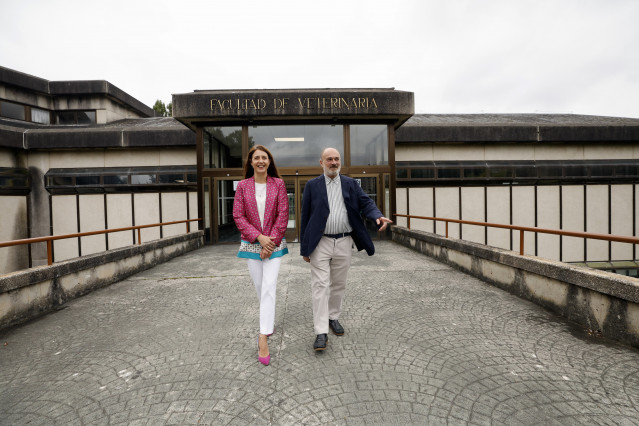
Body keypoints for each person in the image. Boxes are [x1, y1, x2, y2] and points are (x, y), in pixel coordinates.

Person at [300, 147, 392, 351]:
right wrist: (305, 248)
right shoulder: (312, 185)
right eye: (329, 159)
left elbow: (366, 202)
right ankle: (321, 331)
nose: (333, 162)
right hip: (320, 243)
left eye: (336, 159)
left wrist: (376, 215)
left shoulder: (350, 184)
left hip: (344, 241)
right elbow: (305, 217)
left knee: (339, 284)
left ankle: (333, 318)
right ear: (321, 163)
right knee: (320, 286)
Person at [233, 145, 289, 365]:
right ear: (250, 162)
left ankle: (263, 335)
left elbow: (283, 215)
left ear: (269, 161)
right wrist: (259, 237)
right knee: (259, 287)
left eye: (264, 157)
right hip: (251, 244)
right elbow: (238, 216)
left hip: (274, 245)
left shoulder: (279, 184)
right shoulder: (243, 186)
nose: (261, 161)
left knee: (269, 287)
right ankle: (269, 320)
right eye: (256, 157)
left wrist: (269, 243)